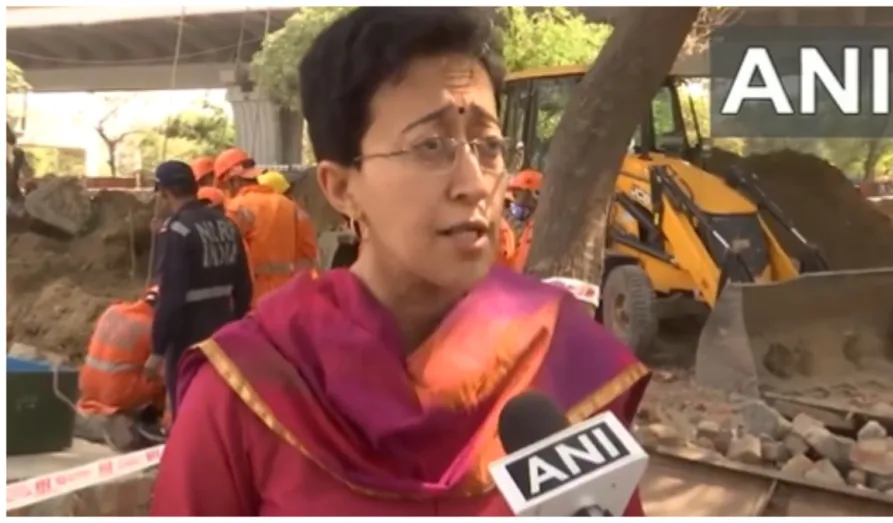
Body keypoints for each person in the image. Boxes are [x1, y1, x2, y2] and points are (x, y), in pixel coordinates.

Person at [151, 7, 648, 517]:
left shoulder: (559, 355)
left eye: (489, 145)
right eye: (430, 146)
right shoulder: (252, 383)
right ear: (341, 188)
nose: (475, 183)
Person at [144, 160, 253, 412]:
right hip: (223, 329)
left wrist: (158, 349)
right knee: (217, 405)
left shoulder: (178, 229)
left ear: (165, 192)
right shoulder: (227, 225)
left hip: (187, 335)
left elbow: (171, 296)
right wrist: (235, 324)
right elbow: (244, 285)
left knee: (187, 405)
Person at [224, 158, 319, 305]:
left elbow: (229, 253)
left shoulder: (236, 207)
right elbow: (307, 251)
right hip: (287, 294)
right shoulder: (289, 205)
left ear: (236, 182)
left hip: (254, 295)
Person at [78, 287, 165, 419]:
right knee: (170, 371)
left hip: (87, 387)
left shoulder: (112, 311)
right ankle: (158, 416)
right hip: (118, 396)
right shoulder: (155, 328)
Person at [506, 169, 543, 272]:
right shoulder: (506, 220)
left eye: (519, 193)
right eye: (515, 194)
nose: (518, 200)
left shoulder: (538, 229)